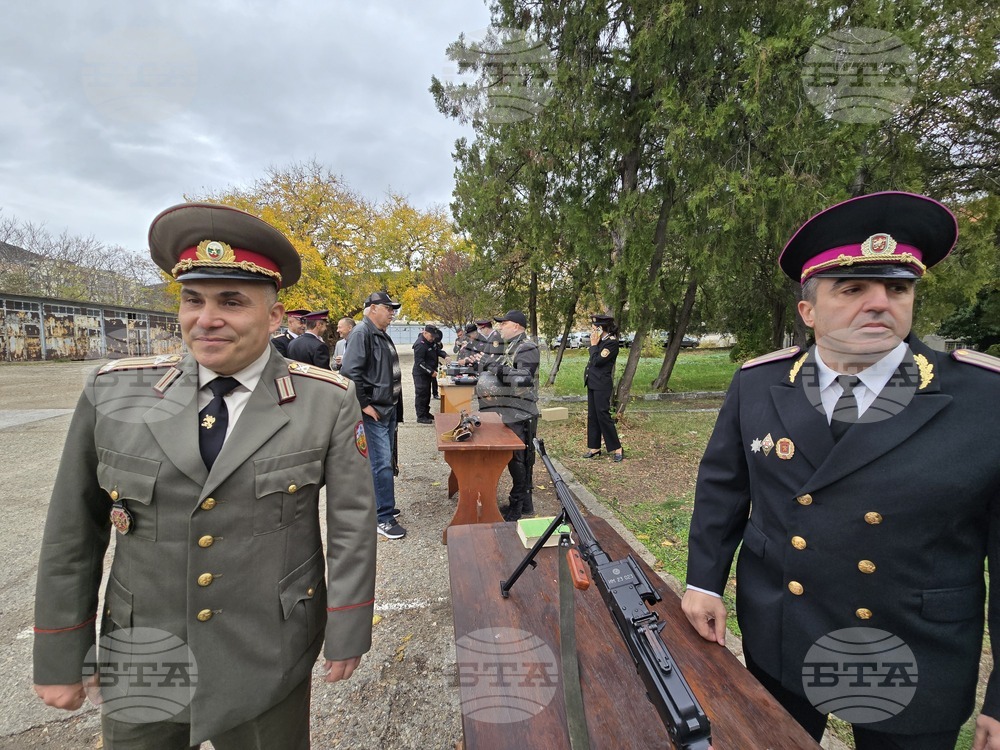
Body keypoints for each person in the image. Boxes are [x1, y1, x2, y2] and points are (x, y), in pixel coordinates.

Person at [32, 202, 377, 749]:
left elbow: (353, 524)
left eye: (232, 302)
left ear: (273, 314)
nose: (206, 318)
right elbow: (72, 531)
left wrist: (349, 628)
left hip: (267, 654)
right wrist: (59, 651)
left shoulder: (324, 401)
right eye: (193, 300)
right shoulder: (115, 393)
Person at [681, 191, 1000, 749]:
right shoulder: (758, 384)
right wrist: (704, 581)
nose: (880, 303)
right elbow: (722, 490)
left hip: (912, 648)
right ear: (808, 310)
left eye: (897, 288)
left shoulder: (982, 398)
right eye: (852, 289)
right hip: (785, 629)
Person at [340, 291, 407, 539]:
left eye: (392, 309)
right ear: (372, 308)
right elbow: (350, 373)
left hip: (385, 409)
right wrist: (364, 404)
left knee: (384, 461)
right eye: (388, 308)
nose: (392, 313)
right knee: (380, 464)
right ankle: (383, 518)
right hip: (374, 411)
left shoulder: (379, 333)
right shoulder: (362, 333)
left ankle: (383, 505)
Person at [474, 310, 539, 522]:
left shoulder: (526, 347)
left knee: (520, 461)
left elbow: (523, 380)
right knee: (515, 459)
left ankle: (517, 507)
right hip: (512, 409)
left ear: (517, 326)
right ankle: (524, 504)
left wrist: (496, 368)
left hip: (522, 412)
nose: (500, 327)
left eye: (505, 324)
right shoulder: (511, 346)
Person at [583, 313, 623, 462]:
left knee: (603, 415)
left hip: (602, 385)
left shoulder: (611, 343)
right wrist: (595, 344)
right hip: (593, 382)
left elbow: (598, 361)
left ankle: (617, 448)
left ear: (601, 328)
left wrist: (593, 345)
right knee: (593, 416)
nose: (592, 331)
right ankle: (595, 448)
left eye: (594, 328)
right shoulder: (601, 341)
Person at [412, 324, 446, 424]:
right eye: (431, 336)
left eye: (433, 337)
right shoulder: (420, 344)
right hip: (421, 374)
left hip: (429, 373)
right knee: (421, 395)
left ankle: (426, 413)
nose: (432, 338)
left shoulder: (431, 342)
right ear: (425, 333)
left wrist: (445, 355)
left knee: (427, 394)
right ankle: (421, 416)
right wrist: (431, 372)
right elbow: (419, 363)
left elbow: (437, 351)